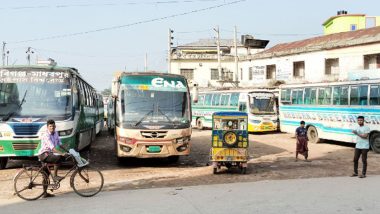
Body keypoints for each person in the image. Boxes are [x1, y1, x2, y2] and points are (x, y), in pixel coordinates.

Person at [38, 119, 67, 197]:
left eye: (53, 126)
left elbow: (60, 144)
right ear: (47, 127)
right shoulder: (46, 135)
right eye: (50, 126)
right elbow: (53, 148)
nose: (52, 128)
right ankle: (55, 176)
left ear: (55, 126)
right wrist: (62, 153)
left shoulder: (56, 133)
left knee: (45, 175)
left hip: (49, 154)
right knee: (59, 158)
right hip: (44, 155)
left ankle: (45, 193)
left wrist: (67, 151)